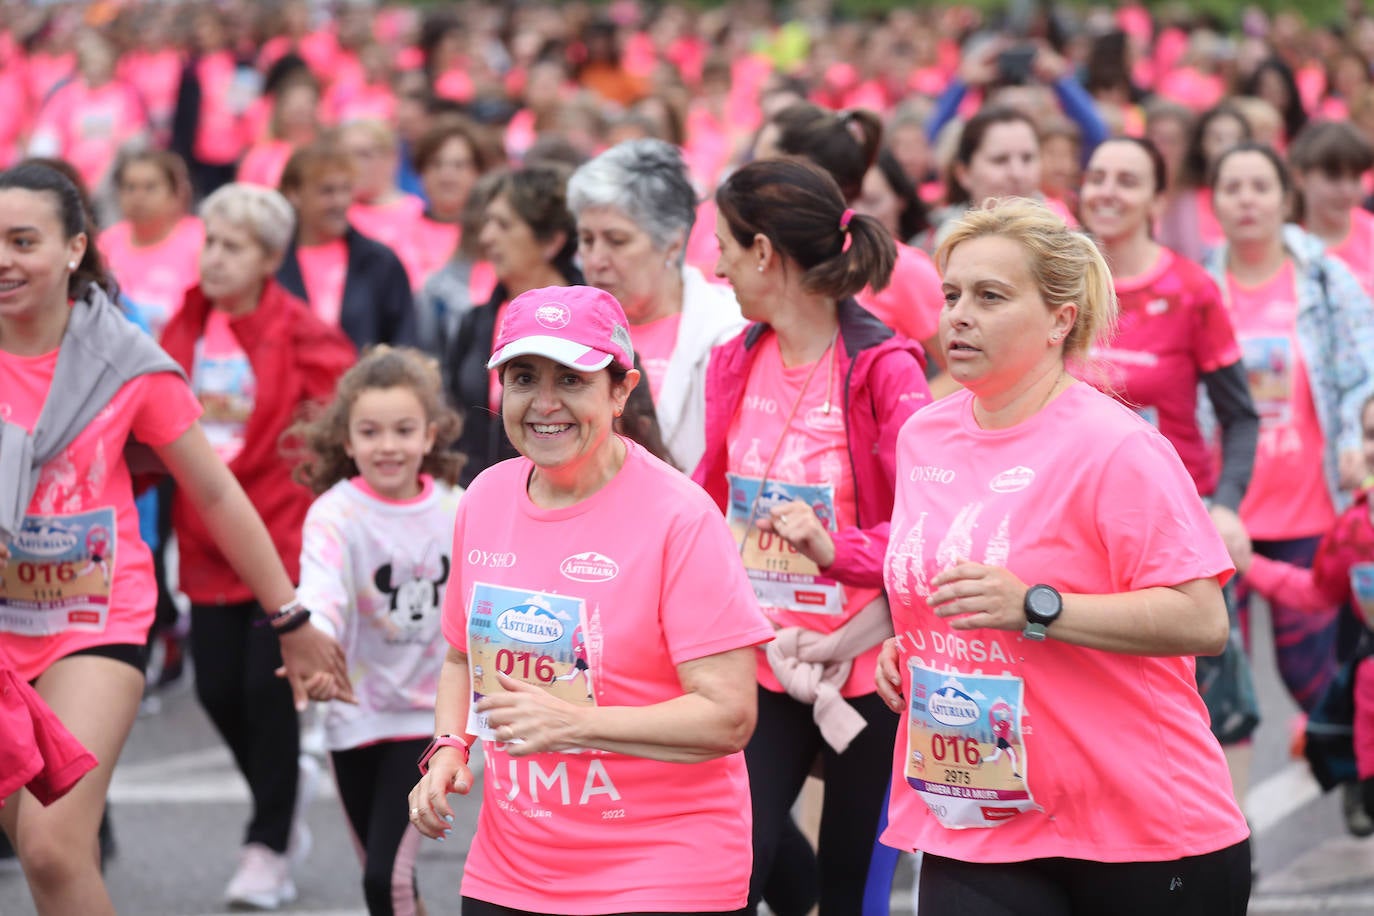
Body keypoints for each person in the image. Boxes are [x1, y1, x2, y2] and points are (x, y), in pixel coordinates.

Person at [876, 197, 1251, 914]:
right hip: (979, 813)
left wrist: (1036, 608)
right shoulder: (923, 435)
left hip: (1136, 826)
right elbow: (945, 585)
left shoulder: (1115, 446)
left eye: (990, 297)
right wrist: (917, 649)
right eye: (952, 294)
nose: (958, 314)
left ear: (1059, 319)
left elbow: (1203, 620)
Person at [0, 162, 350, 915]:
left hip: (94, 623)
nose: (3, 258)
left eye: (23, 240)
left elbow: (215, 491)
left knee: (50, 845)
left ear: (73, 250)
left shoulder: (123, 363)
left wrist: (289, 616)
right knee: (55, 858)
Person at [407, 284, 774, 915]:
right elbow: (461, 660)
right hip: (512, 868)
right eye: (524, 378)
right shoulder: (486, 498)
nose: (544, 404)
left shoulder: (679, 517)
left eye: (572, 380)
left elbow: (729, 716)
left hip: (663, 869)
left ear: (621, 390)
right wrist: (448, 748)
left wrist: (576, 724)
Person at [695, 157, 932, 914]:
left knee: (852, 895)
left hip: (869, 671)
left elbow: (929, 526)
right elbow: (708, 497)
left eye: (727, 247)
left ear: (763, 252)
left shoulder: (885, 369)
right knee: (733, 869)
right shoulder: (734, 360)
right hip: (765, 661)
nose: (717, 265)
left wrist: (837, 551)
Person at [159, 182, 358, 910]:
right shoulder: (183, 323)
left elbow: (346, 417)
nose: (213, 259)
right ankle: (278, 798)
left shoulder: (301, 329)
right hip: (202, 542)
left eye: (233, 246)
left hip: (275, 539)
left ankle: (267, 844)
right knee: (215, 691)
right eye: (209, 242)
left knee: (261, 695)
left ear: (271, 258)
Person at [1202, 142, 1374, 715]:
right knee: (1219, 687)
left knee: (1314, 680)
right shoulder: (1198, 287)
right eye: (1233, 188)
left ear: (1285, 197)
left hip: (1311, 514)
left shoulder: (1325, 278)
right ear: (1215, 202)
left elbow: (1361, 374)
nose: (1247, 200)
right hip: (1222, 514)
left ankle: (1354, 779)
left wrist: (1353, 441)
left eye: (1260, 187)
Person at [292, 347, 465, 916]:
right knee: (390, 876)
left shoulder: (457, 510)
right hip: (355, 713)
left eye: (402, 430)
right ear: (346, 440)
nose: (386, 445)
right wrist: (312, 647)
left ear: (430, 435)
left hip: (429, 719)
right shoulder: (333, 513)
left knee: (382, 882)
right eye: (370, 431)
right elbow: (322, 591)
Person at [567, 138, 744, 473]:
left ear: (673, 242)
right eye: (587, 240)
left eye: (617, 241)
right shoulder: (565, 327)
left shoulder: (727, 331)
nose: (596, 259)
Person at [1239, 395, 1374, 821]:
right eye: (1369, 434)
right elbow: (1316, 593)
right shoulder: (1355, 528)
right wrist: (1247, 563)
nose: (1371, 448)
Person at [445, 165, 583, 485]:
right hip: (480, 499)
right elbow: (453, 418)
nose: (486, 237)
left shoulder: (590, 324)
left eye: (504, 225)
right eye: (487, 222)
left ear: (551, 241)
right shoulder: (475, 321)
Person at [275, 138, 417, 351]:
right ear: (294, 194)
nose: (340, 201)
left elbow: (403, 343)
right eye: (327, 191)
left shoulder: (380, 262)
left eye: (346, 189)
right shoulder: (271, 262)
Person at [99, 149, 205, 338]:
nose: (138, 197)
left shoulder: (200, 239)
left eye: (150, 187)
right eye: (130, 187)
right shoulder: (105, 244)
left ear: (175, 195)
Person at [1289, 121, 1374, 299]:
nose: (1347, 191)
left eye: (1355, 178)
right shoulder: (1282, 243)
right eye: (1333, 177)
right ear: (1300, 177)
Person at [1157, 102, 1251, 263]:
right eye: (1218, 138)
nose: (1227, 146)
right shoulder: (1182, 197)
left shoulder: (1252, 198)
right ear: (1201, 143)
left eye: (1236, 138)